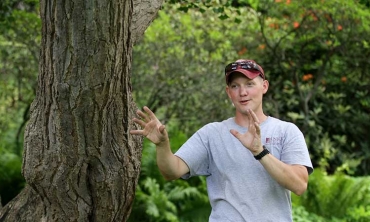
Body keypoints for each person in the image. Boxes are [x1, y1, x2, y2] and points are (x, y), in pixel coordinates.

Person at [130, 59, 313, 222]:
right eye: (235, 86)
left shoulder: (286, 131)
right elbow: (172, 171)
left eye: (249, 84)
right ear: (228, 92)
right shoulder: (212, 134)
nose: (242, 92)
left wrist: (260, 151)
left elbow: (299, 185)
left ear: (264, 86)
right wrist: (163, 145)